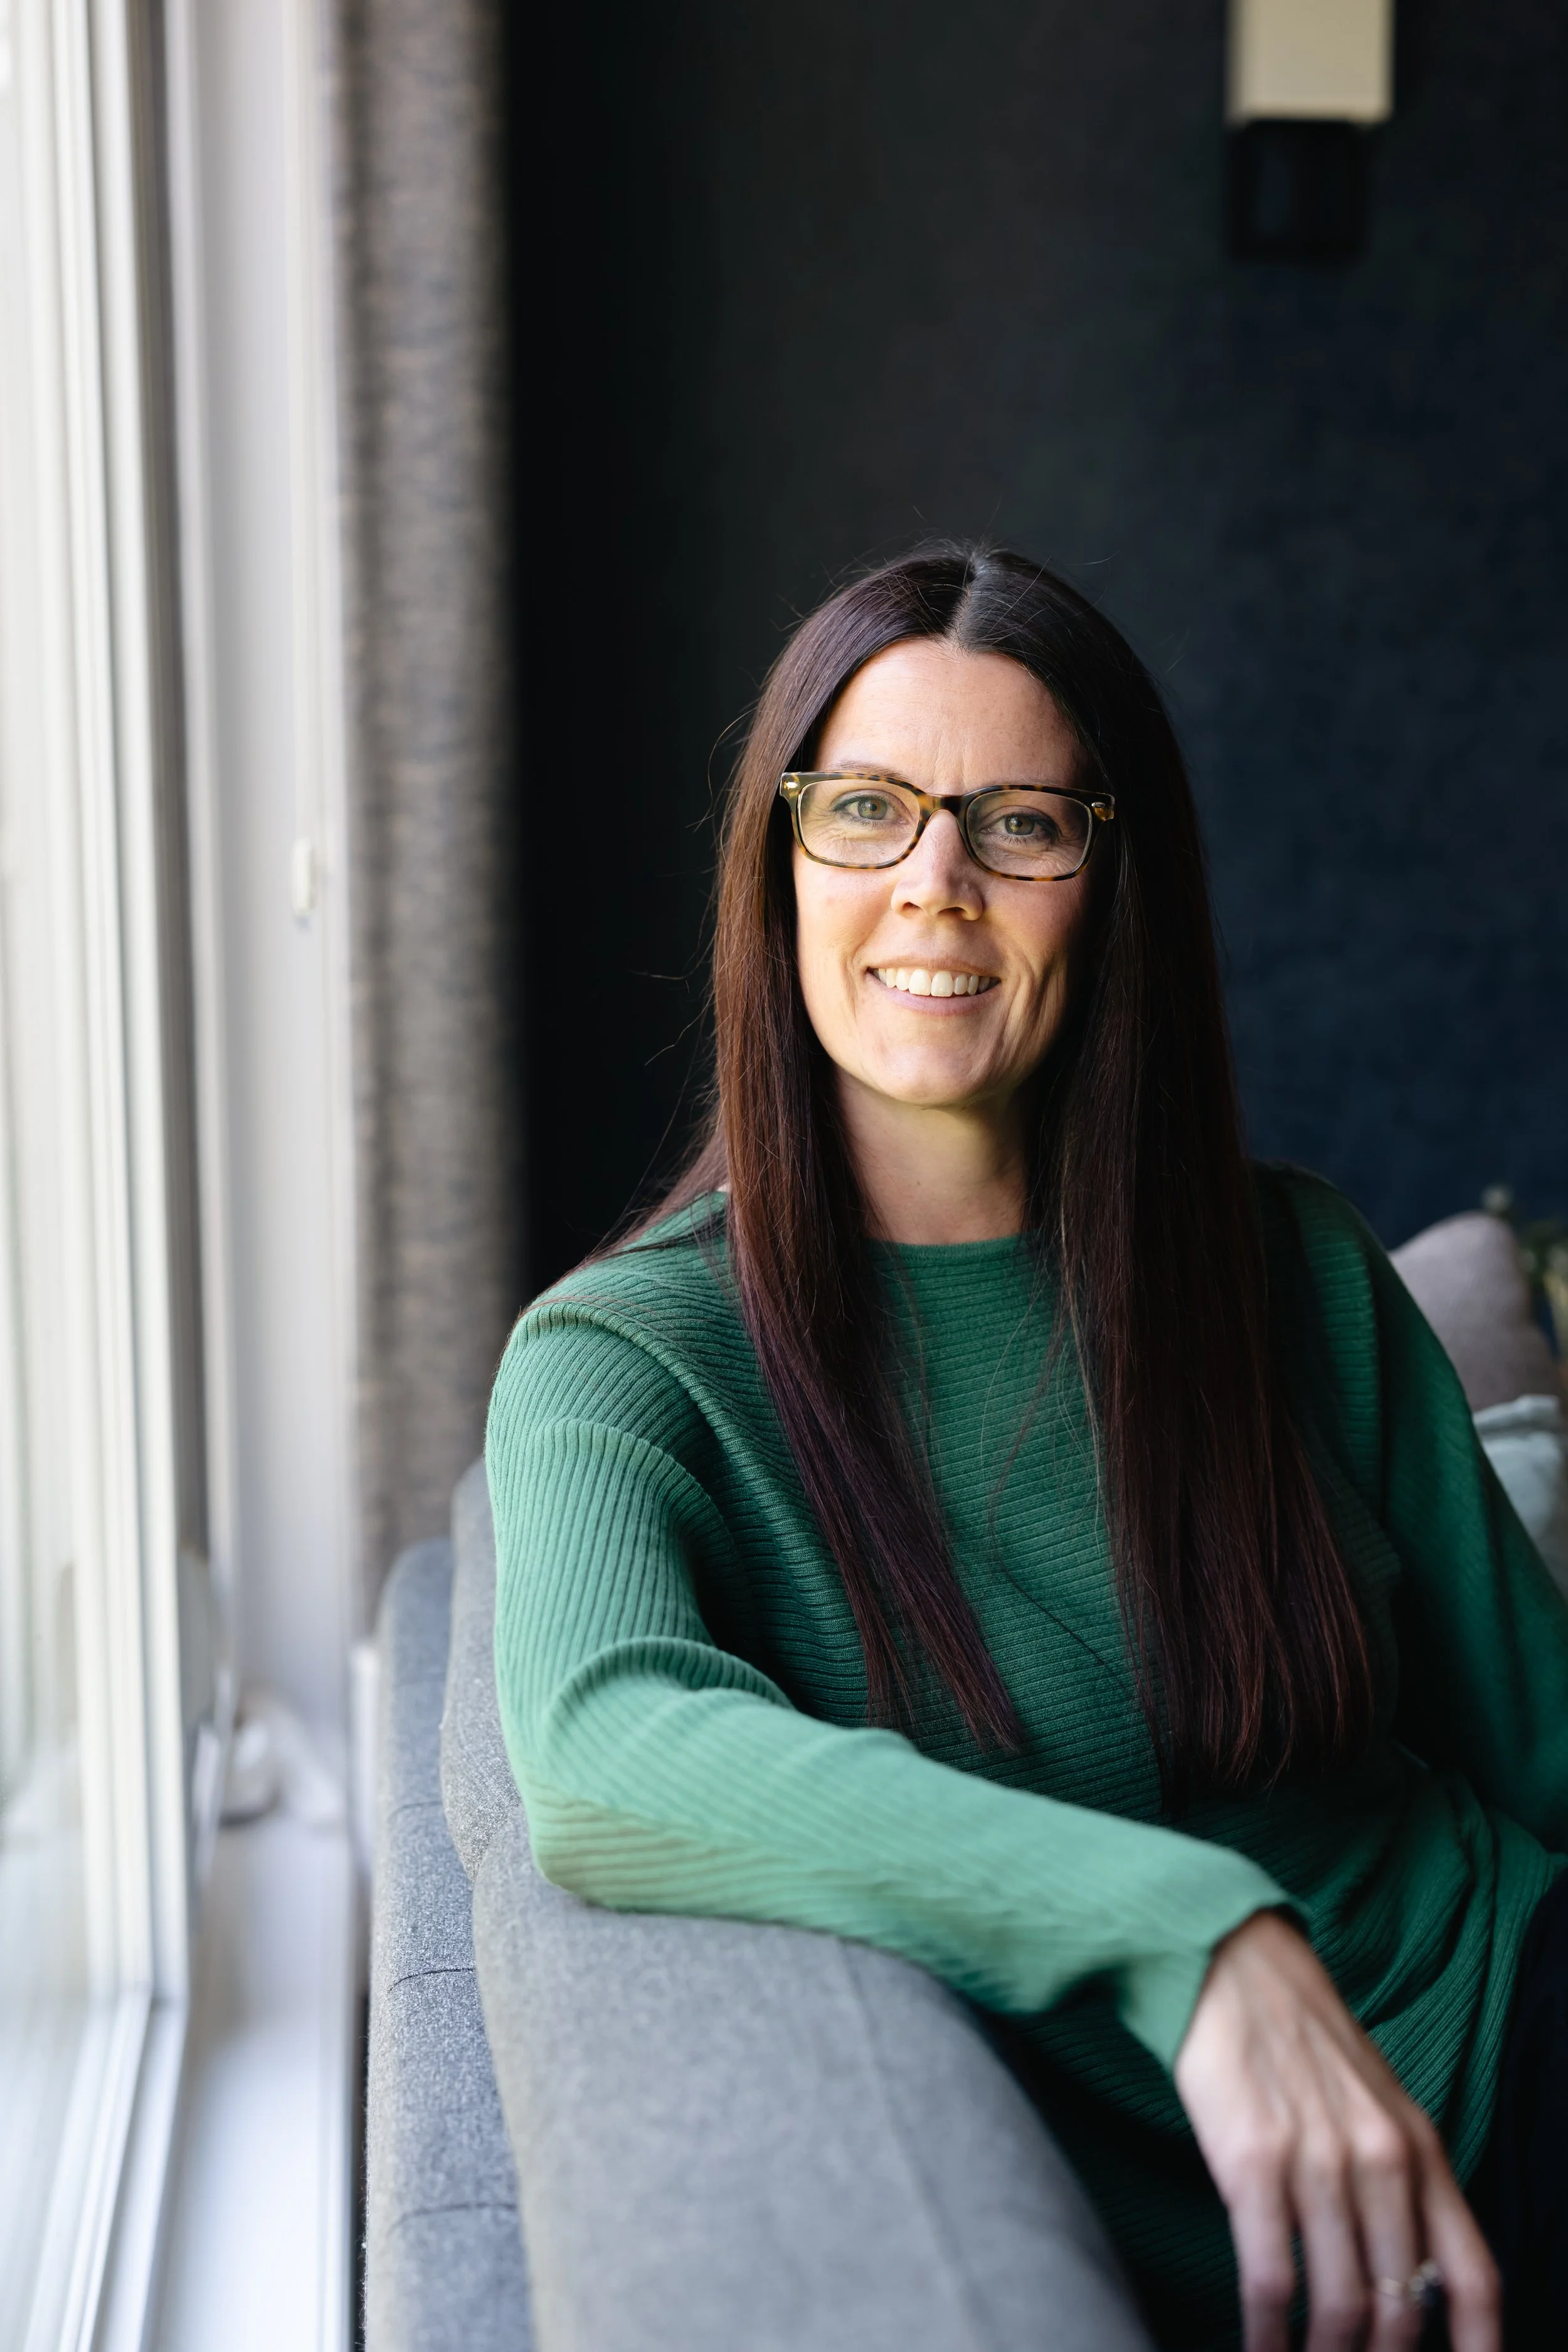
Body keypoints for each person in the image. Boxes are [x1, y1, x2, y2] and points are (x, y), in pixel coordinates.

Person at [485, 546, 1568, 2351]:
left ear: (1111, 883)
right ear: (778, 860)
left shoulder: (1292, 1261)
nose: (937, 881)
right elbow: (604, 1747)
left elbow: (1538, 1741)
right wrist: (1190, 1933)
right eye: (866, 809)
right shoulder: (625, 1363)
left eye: (1020, 825)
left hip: (1516, 2014)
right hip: (1250, 2236)